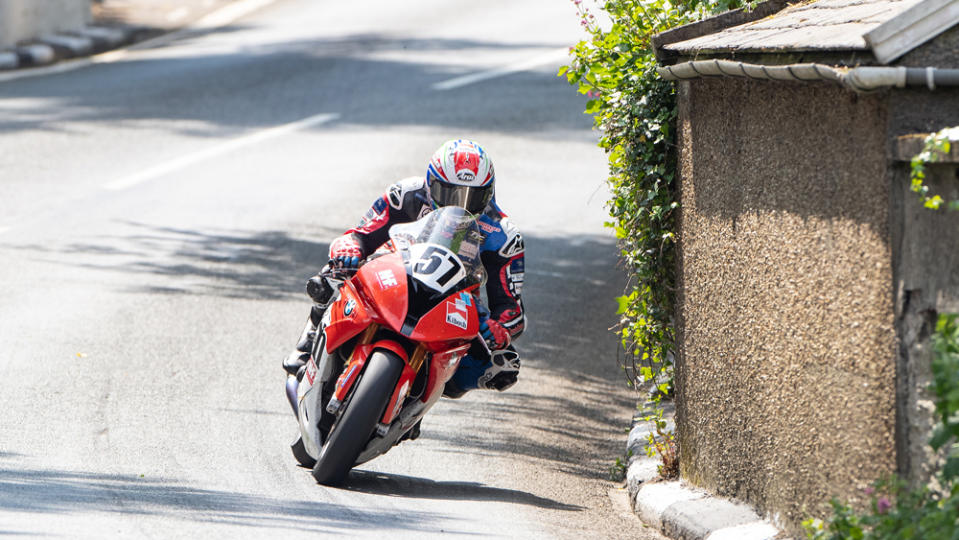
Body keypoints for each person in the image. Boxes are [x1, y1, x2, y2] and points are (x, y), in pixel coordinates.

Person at [283, 139, 526, 397]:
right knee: (333, 275)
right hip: (393, 273)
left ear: (489, 194)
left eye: (472, 197)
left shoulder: (504, 235)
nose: (461, 205)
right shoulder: (405, 194)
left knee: (501, 367)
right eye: (450, 193)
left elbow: (512, 310)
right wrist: (349, 250)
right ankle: (308, 344)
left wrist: (499, 328)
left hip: (454, 302)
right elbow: (360, 235)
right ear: (431, 183)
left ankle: (422, 396)